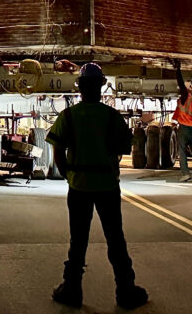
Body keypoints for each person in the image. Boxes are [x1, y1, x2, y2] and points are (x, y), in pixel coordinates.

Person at [47, 62, 148, 310]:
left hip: (79, 187)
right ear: (101, 87)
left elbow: (58, 151)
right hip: (106, 187)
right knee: (116, 240)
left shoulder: (68, 116)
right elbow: (125, 147)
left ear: (80, 88)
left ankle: (72, 290)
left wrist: (68, 176)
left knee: (78, 241)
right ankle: (126, 291)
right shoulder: (112, 117)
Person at [171, 59, 192, 182]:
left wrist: (177, 69)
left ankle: (185, 173)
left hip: (184, 127)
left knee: (182, 151)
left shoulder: (186, 96)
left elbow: (180, 83)